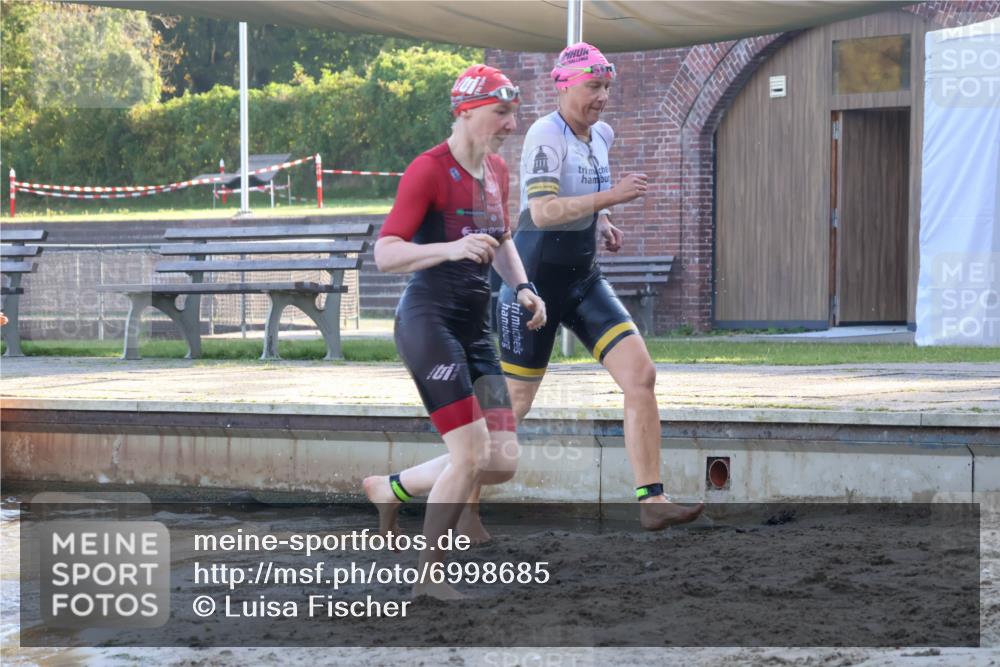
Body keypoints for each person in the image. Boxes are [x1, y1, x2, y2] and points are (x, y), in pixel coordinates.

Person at [495, 42, 704, 530]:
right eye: (593, 86)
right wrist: (611, 196)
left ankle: (651, 502)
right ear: (564, 86)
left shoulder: (601, 135)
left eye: (607, 86)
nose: (603, 97)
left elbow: (584, 190)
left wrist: (604, 218)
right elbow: (543, 211)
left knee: (641, 376)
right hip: (534, 284)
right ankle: (441, 493)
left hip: (584, 279)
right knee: (515, 404)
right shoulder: (544, 135)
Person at [363, 64, 546, 598]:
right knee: (469, 454)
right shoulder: (428, 170)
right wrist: (449, 248)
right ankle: (429, 577)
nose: (511, 124)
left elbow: (503, 238)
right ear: (466, 112)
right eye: (502, 113)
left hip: (475, 330)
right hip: (429, 324)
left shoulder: (496, 173)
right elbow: (385, 253)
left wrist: (524, 286)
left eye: (513, 114)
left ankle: (389, 487)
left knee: (500, 461)